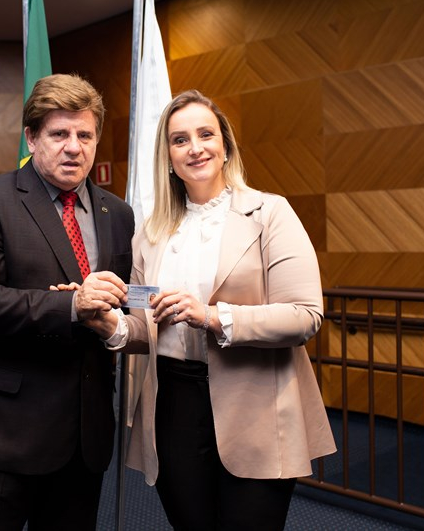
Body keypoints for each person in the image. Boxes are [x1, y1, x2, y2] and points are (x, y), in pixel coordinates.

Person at [87, 89, 336, 530]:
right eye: (180, 139)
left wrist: (211, 315)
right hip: (173, 405)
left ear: (225, 146)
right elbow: (146, 326)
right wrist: (111, 325)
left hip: (256, 401)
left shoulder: (270, 214)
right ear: (168, 157)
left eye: (206, 134)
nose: (195, 148)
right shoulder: (151, 233)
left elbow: (304, 315)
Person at [0, 73, 134, 530]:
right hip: (2, 433)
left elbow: (121, 302)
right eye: (59, 134)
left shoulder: (117, 213)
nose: (74, 147)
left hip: (82, 437)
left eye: (85, 135)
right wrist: (71, 307)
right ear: (31, 138)